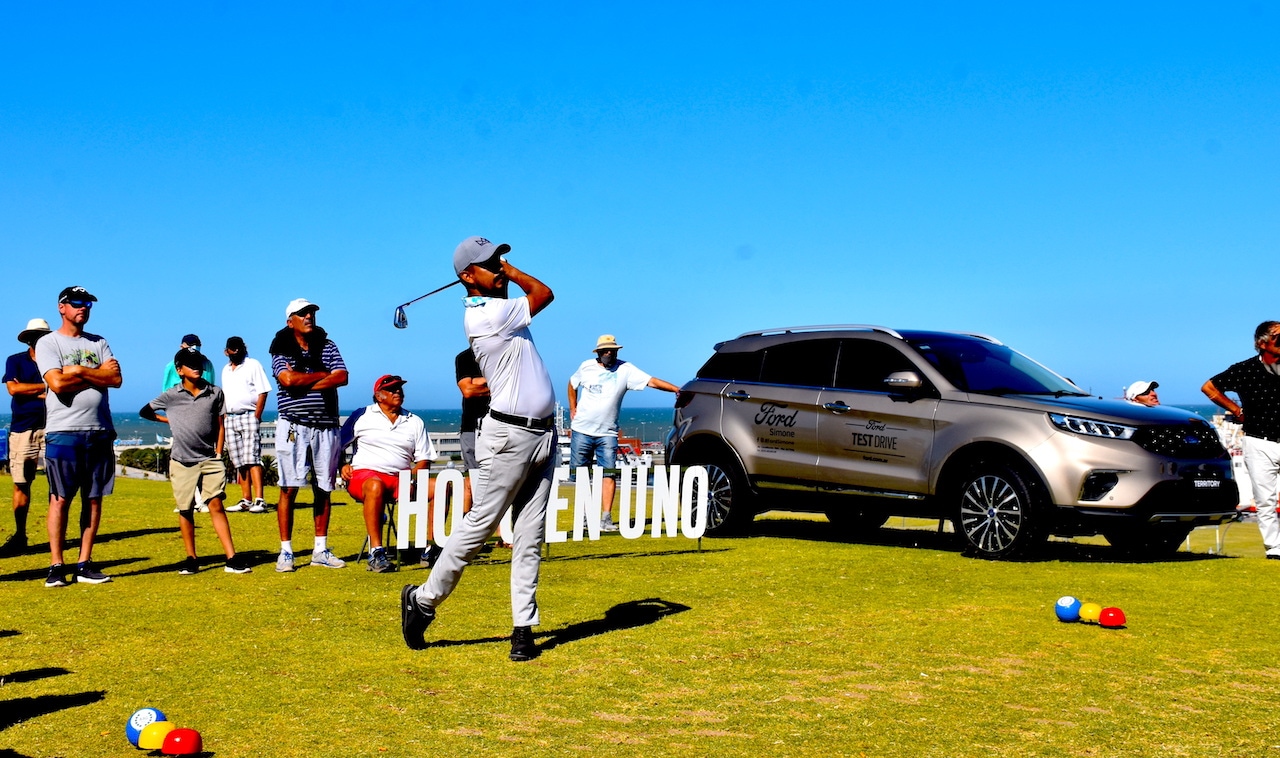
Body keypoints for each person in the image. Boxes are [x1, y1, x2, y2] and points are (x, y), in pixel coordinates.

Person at [402, 236, 556, 662]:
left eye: (501, 260)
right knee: (480, 525)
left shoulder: (502, 309)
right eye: (492, 264)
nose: (502, 267)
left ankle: (523, 629)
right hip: (509, 436)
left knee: (529, 535)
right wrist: (510, 274)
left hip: (543, 434)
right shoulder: (486, 314)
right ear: (468, 277)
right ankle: (424, 600)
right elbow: (544, 293)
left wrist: (500, 272)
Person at [35, 286, 122, 587]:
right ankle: (56, 566)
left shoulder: (99, 342)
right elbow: (57, 383)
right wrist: (94, 372)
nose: (83, 307)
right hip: (63, 432)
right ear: (62, 307)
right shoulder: (49, 343)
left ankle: (84, 563)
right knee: (60, 499)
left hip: (99, 431)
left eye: (87, 303)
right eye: (76, 303)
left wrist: (79, 371)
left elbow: (116, 379)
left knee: (94, 499)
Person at [141, 349, 251, 575]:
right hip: (181, 461)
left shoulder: (215, 393)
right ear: (179, 370)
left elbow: (221, 424)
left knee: (216, 504)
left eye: (198, 362)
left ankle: (231, 557)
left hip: (210, 459)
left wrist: (219, 453)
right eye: (190, 364)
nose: (196, 366)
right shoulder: (171, 395)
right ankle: (191, 558)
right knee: (185, 509)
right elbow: (146, 411)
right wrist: (167, 419)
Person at [567, 334, 679, 531]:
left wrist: (676, 389)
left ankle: (605, 519)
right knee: (580, 476)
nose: (608, 353)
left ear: (617, 351)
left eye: (612, 350)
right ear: (598, 352)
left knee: (608, 474)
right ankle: (584, 518)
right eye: (605, 350)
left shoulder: (626, 369)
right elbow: (571, 384)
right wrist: (572, 407)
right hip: (581, 431)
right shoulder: (586, 367)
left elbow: (651, 381)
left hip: (608, 434)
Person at [269, 298, 349, 572]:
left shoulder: (327, 345)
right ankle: (286, 551)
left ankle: (320, 549)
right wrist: (322, 376)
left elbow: (342, 376)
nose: (309, 316)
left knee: (324, 488)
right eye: (302, 313)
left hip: (326, 425)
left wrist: (307, 383)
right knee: (289, 488)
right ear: (290, 320)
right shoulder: (280, 347)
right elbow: (286, 380)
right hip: (293, 425)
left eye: (311, 312)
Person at [339, 374, 436, 573]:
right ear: (379, 395)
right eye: (392, 389)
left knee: (440, 487)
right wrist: (342, 465)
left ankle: (430, 547)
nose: (398, 392)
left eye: (399, 388)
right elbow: (336, 445)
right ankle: (376, 552)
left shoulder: (414, 421)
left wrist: (412, 477)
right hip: (365, 477)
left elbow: (424, 459)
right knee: (375, 485)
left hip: (401, 479)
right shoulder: (362, 415)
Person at [1202, 321, 1280, 560]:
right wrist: (1237, 411)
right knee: (1265, 500)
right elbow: (1209, 387)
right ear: (1262, 343)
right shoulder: (1245, 369)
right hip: (1259, 441)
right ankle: (1275, 550)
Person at [2, 318, 52, 556]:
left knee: (59, 486)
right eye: (35, 336)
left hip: (54, 427)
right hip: (23, 430)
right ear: (28, 339)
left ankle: (55, 536)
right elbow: (13, 389)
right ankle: (20, 534)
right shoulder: (15, 360)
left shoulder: (56, 361)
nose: (38, 340)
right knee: (22, 483)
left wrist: (28, 388)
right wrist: (45, 388)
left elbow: (64, 388)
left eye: (42, 336)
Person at [221, 336, 271, 514]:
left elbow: (263, 392)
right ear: (226, 351)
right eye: (232, 349)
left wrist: (256, 416)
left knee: (252, 458)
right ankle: (246, 499)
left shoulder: (253, 365)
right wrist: (225, 416)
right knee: (238, 460)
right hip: (231, 417)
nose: (236, 352)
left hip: (249, 415)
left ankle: (260, 499)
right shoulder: (226, 370)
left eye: (238, 348)